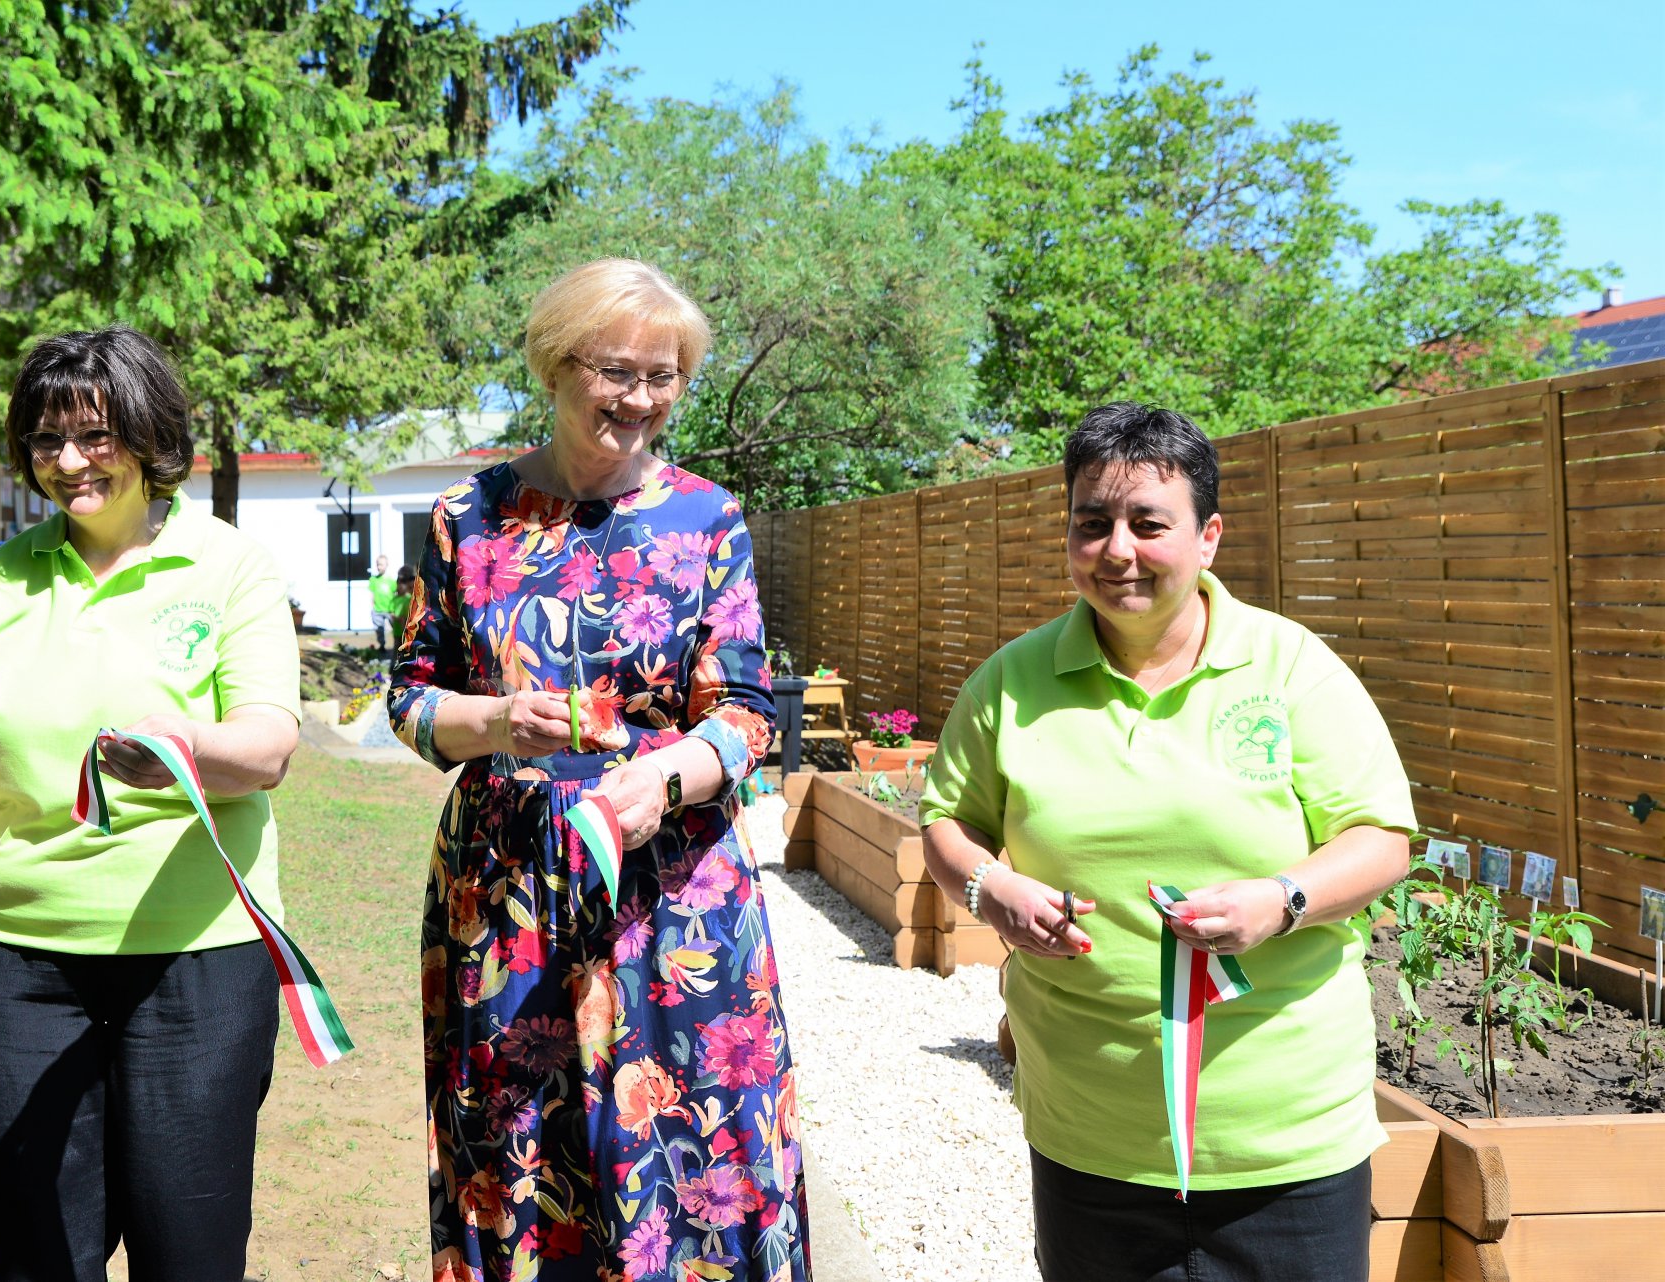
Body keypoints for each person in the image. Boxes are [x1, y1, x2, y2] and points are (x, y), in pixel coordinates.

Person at [920, 402, 1415, 1282]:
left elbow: (1379, 837)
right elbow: (948, 822)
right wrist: (988, 891)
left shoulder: (1291, 667)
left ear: (1209, 536)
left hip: (1284, 1137)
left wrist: (1282, 901)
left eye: (1149, 524)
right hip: (1089, 1129)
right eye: (1091, 523)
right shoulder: (1011, 682)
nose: (1118, 550)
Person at [389, 258, 810, 1281]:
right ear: (557, 362)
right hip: (507, 894)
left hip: (673, 895)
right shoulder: (464, 516)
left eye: (666, 375)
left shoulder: (707, 518)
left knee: (691, 1151)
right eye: (619, 370)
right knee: (516, 1150)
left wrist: (664, 779)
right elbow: (408, 698)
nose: (643, 398)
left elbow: (750, 711)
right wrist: (494, 717)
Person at [0, 325, 303, 1280]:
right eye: (45, 440)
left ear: (149, 432)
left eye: (94, 434)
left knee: (186, 1250)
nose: (68, 461)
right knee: (40, 1251)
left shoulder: (231, 566)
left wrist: (189, 747)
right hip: (13, 967)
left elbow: (268, 748)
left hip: (197, 958)